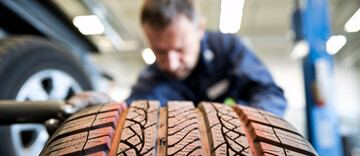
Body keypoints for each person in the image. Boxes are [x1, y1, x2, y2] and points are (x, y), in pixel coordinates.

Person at [69, 0, 287, 117]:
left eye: (180, 49)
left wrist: (241, 125)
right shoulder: (152, 79)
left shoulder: (227, 48)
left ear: (199, 28)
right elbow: (132, 114)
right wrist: (106, 111)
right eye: (159, 51)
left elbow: (269, 94)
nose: (171, 64)